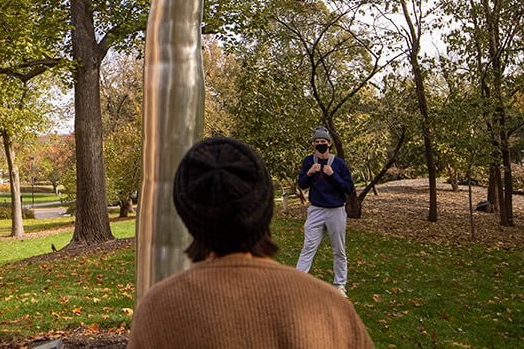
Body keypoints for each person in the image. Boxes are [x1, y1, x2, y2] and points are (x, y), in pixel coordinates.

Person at [129, 137, 374, 349]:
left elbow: (348, 186)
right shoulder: (332, 310)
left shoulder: (156, 313)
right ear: (266, 207)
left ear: (186, 215)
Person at [294, 126, 354, 292]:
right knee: (308, 247)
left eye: (323, 142)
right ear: (314, 144)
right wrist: (310, 173)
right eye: (317, 142)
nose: (320, 144)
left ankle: (340, 285)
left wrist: (333, 174)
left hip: (336, 210)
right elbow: (302, 184)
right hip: (316, 210)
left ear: (329, 144)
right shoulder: (308, 161)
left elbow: (349, 188)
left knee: (339, 250)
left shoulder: (339, 164)